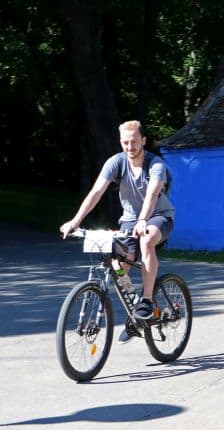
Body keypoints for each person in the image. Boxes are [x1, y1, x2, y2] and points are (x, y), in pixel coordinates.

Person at [60, 120, 175, 342]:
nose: (129, 147)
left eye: (134, 141)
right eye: (125, 142)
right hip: (130, 222)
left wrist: (143, 219)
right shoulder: (116, 163)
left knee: (147, 239)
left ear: (143, 140)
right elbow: (96, 192)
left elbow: (152, 194)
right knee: (118, 263)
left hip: (159, 217)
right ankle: (135, 316)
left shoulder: (155, 164)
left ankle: (147, 301)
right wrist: (75, 221)